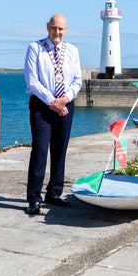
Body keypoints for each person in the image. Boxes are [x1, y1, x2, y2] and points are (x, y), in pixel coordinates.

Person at [24, 14, 82, 215]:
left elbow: (77, 80)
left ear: (66, 29)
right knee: (40, 150)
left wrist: (64, 100)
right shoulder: (35, 48)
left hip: (66, 105)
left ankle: (54, 192)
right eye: (53, 28)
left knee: (60, 149)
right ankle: (34, 197)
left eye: (61, 29)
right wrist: (53, 102)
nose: (57, 32)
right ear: (47, 27)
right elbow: (32, 81)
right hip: (42, 106)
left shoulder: (72, 51)